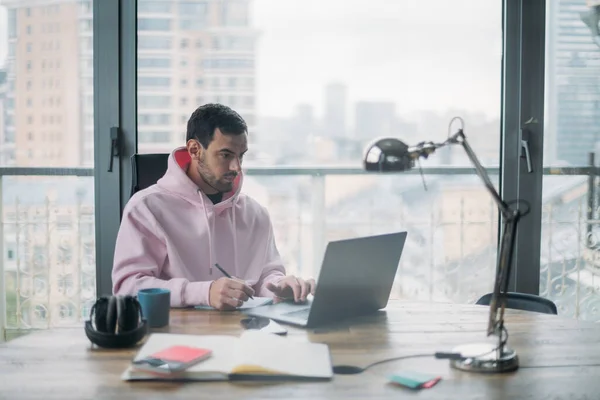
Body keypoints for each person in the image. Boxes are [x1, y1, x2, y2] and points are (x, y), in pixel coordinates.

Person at [112, 103, 315, 310]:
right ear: (194, 150)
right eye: (225, 155)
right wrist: (204, 293)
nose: (236, 167)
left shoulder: (255, 213)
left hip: (245, 334)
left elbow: (266, 275)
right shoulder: (146, 208)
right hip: (177, 333)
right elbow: (127, 287)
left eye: (241, 155)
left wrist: (281, 286)